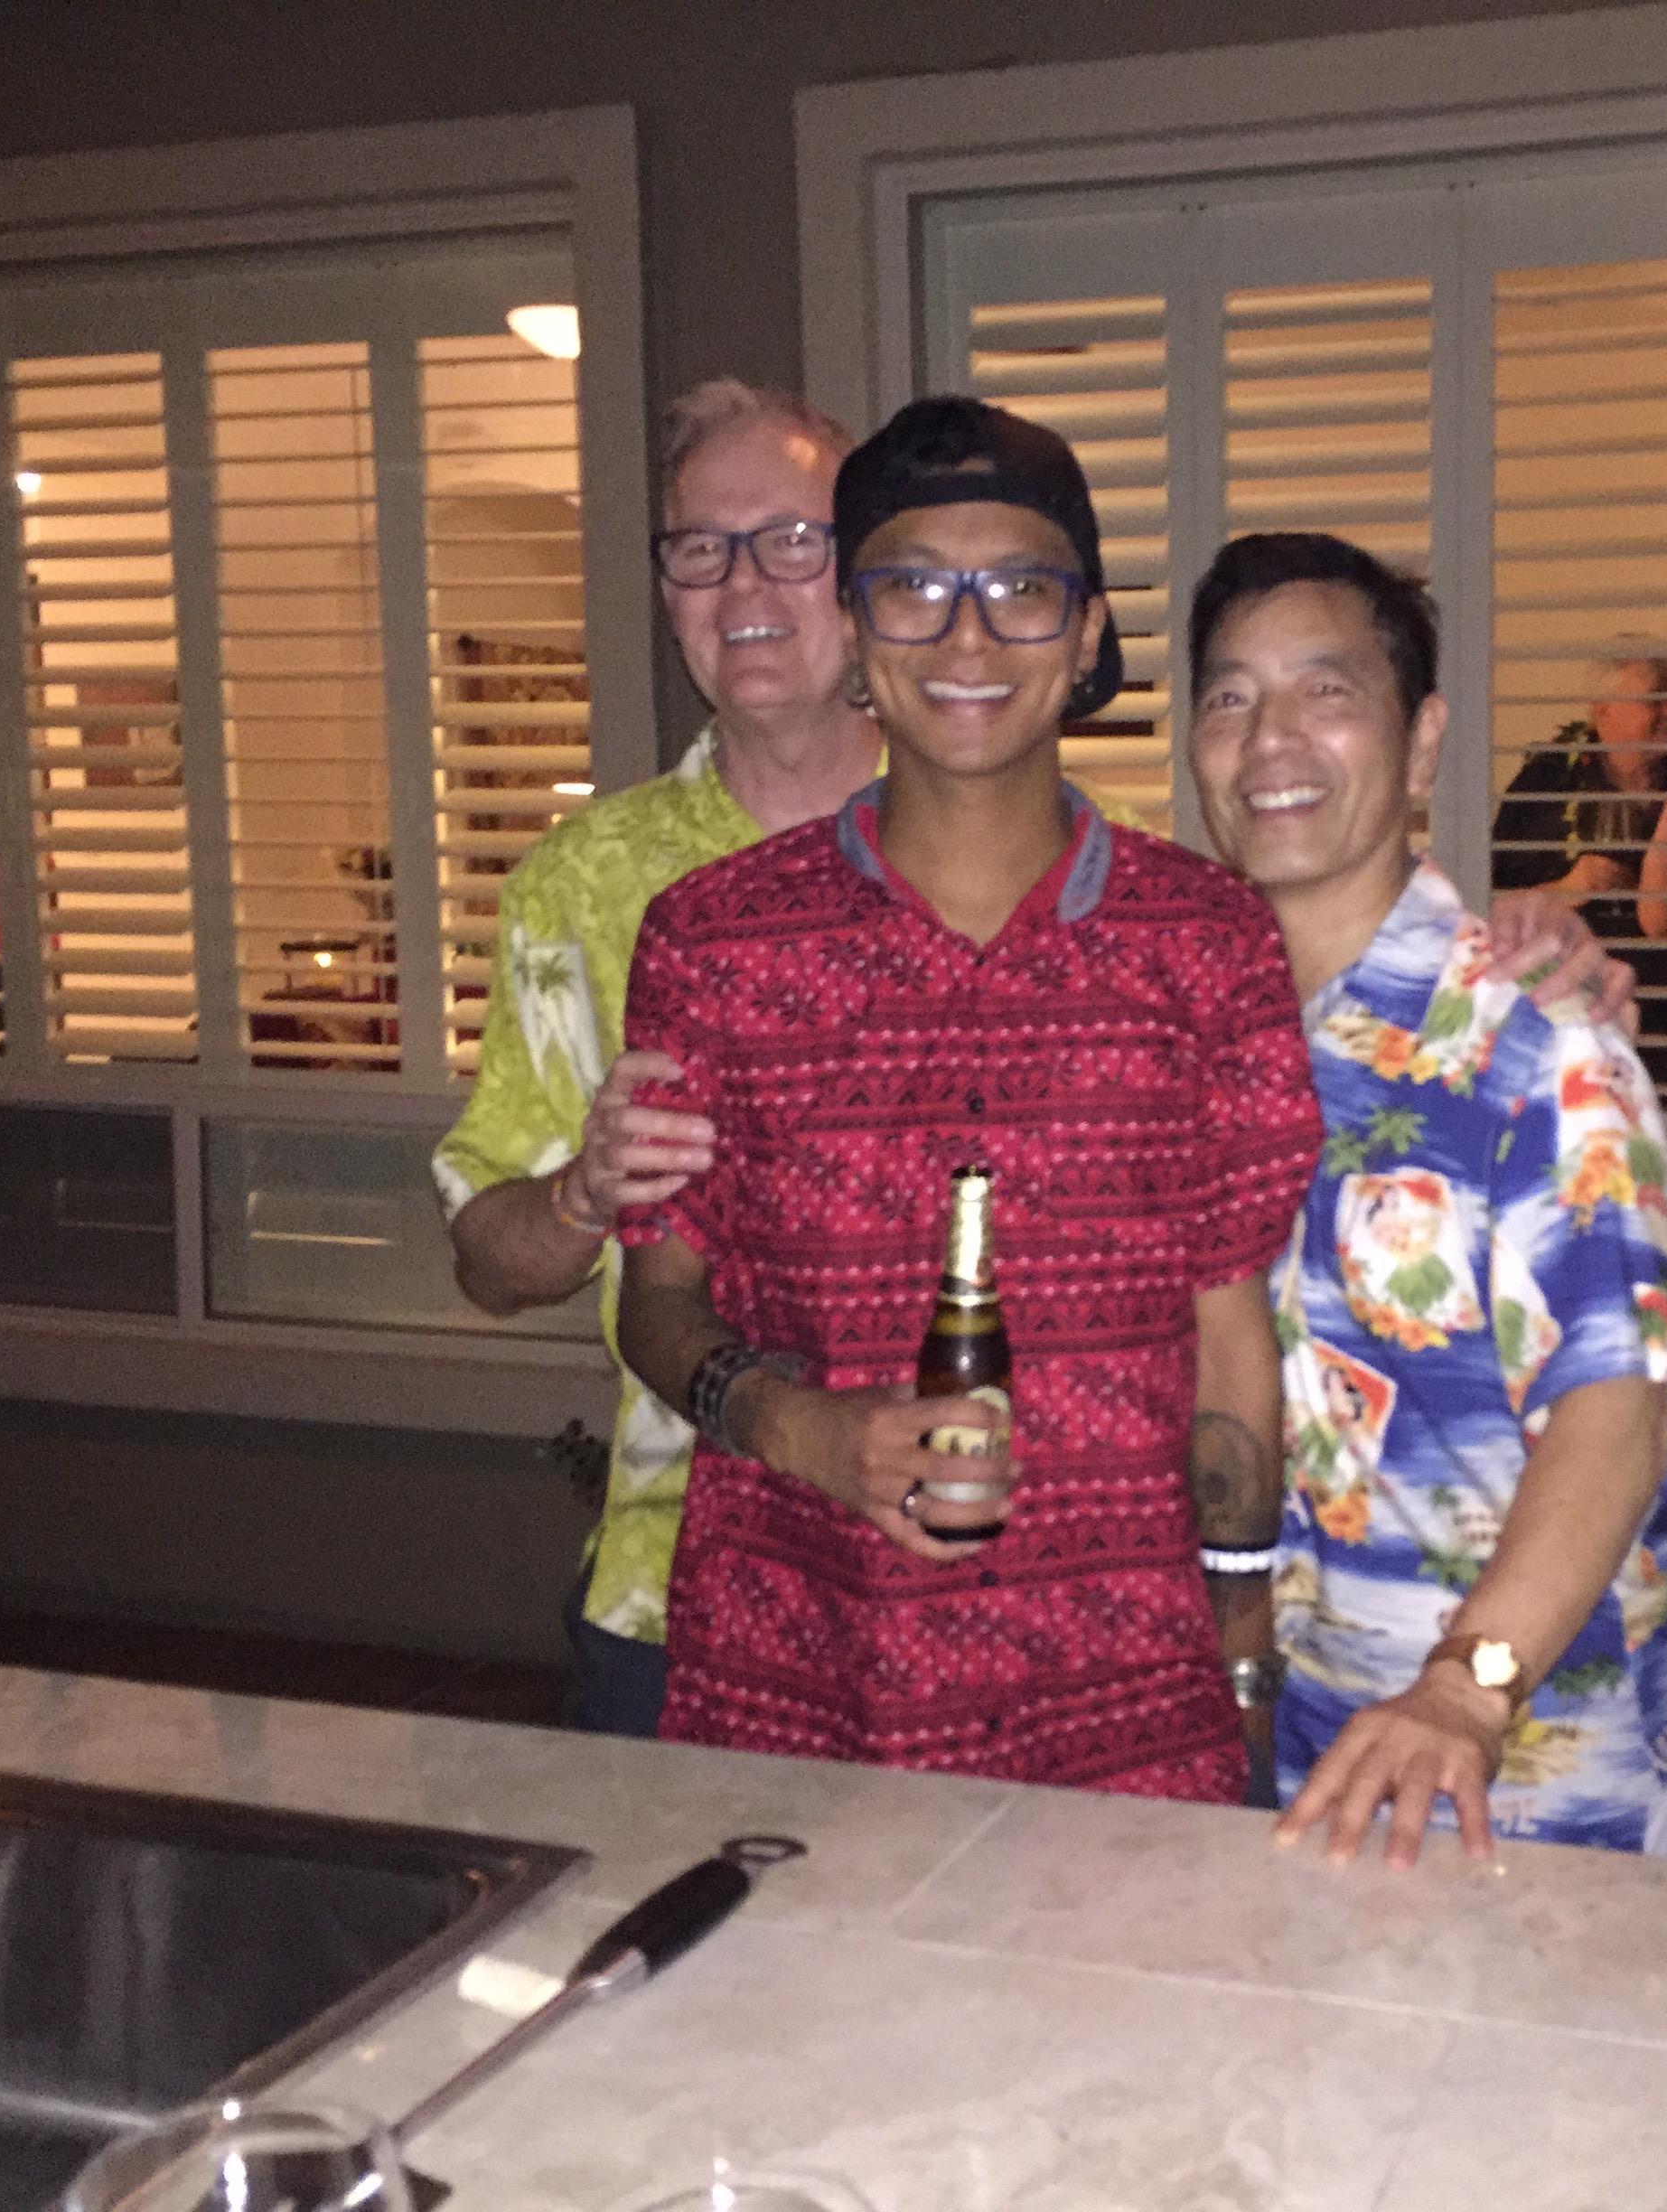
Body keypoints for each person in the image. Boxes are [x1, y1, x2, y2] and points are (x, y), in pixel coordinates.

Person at [611, 396, 1323, 1802]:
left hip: (1124, 1707)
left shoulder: (1207, 942)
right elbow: (657, 1298)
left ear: (1086, 636)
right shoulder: (714, 941)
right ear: (861, 639)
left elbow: (1229, 1335)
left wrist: (1241, 1647)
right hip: (799, 1680)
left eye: (1020, 588)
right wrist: (800, 1427)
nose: (968, 636)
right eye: (914, 588)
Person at [1185, 530, 1667, 1865]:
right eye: (1231, 697)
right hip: (1280, 1747)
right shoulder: (1193, 1039)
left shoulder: (1538, 1044)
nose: (1272, 739)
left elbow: (1621, 1410)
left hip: (1521, 1777)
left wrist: (1461, 1692)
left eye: (1326, 690)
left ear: (1421, 747)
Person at [433, 380, 876, 1736]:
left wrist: (1522, 946)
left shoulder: (1021, 840)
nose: (744, 582)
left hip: (976, 1573)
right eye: (701, 546)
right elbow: (486, 1263)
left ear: (872, 577)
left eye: (794, 539)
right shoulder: (584, 881)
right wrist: (584, 1192)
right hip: (673, 1593)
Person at [1489, 654, 1667, 1096]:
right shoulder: (1547, 781)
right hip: (1569, 1009)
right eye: (1656, 701)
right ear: (1604, 712)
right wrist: (1573, 887)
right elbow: (1490, 899)